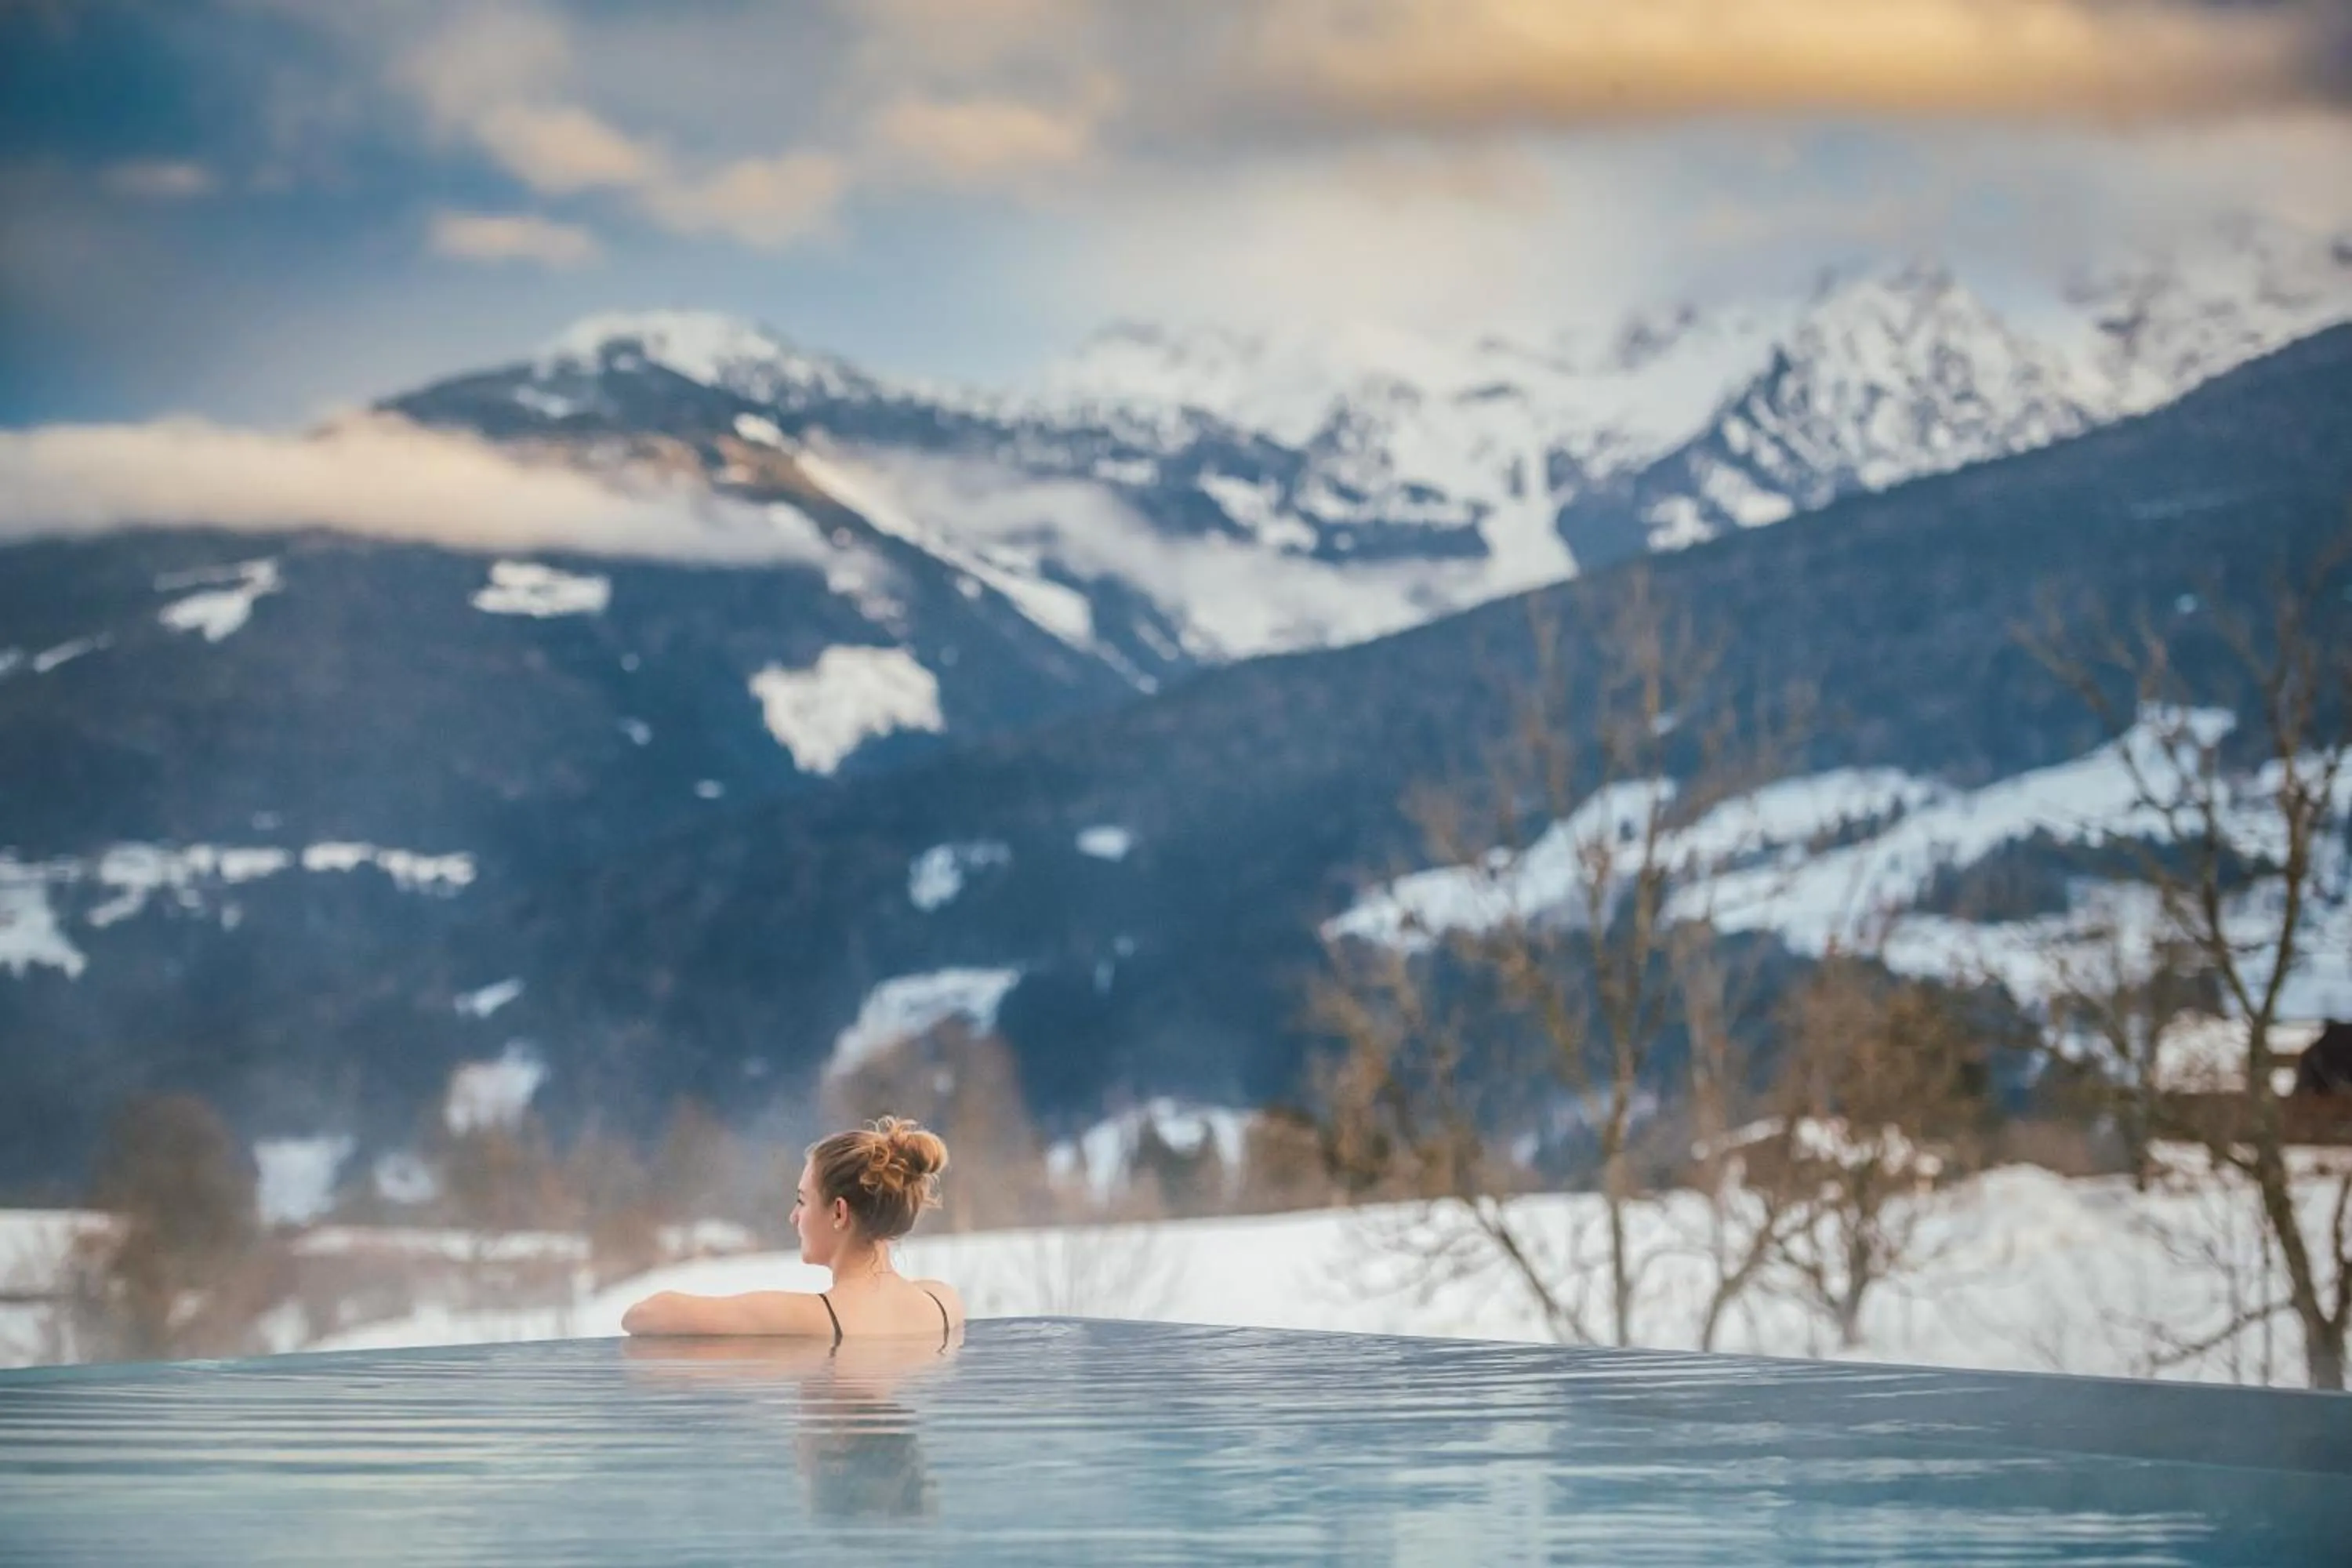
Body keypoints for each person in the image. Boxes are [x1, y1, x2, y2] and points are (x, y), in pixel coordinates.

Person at [622, 1116, 964, 1346]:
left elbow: (643, 1316)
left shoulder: (808, 1319)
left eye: (802, 1201)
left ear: (840, 1212)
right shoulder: (944, 1304)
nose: (793, 1217)